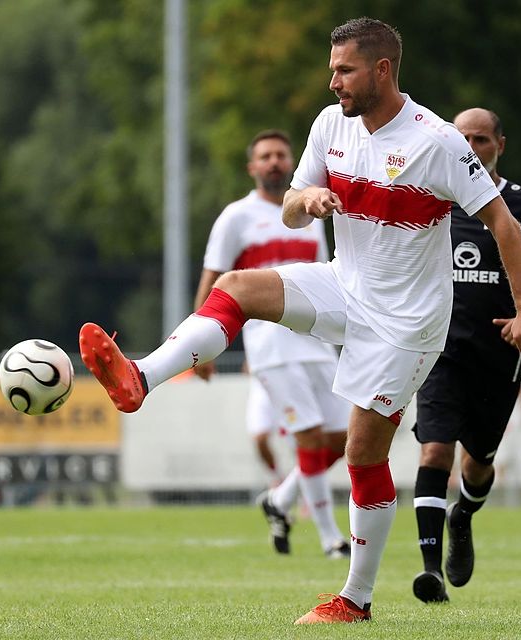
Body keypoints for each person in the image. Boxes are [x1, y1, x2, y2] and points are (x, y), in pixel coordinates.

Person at [78, 17, 521, 624]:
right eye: (331, 70)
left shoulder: (437, 141)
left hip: (407, 323)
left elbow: (505, 226)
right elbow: (297, 210)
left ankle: (355, 599)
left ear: (382, 69)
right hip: (345, 285)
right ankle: (140, 377)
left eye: (344, 70)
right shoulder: (331, 125)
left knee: (360, 454)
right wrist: (311, 200)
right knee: (236, 286)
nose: (333, 82)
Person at [410, 107, 521, 604]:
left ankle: (462, 516)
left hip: (497, 358)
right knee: (434, 450)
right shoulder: (431, 198)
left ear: (500, 145)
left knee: (478, 463)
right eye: (461, 138)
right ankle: (429, 572)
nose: (471, 146)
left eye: (481, 139)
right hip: (438, 348)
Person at [192, 129, 352, 559]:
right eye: (265, 156)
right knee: (311, 434)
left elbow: (324, 274)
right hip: (269, 342)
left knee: (344, 437)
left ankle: (279, 499)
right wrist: (199, 341)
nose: (274, 162)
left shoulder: (307, 214)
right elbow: (214, 278)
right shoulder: (236, 217)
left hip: (314, 337)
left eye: (281, 155)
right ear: (253, 167)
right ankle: (329, 538)